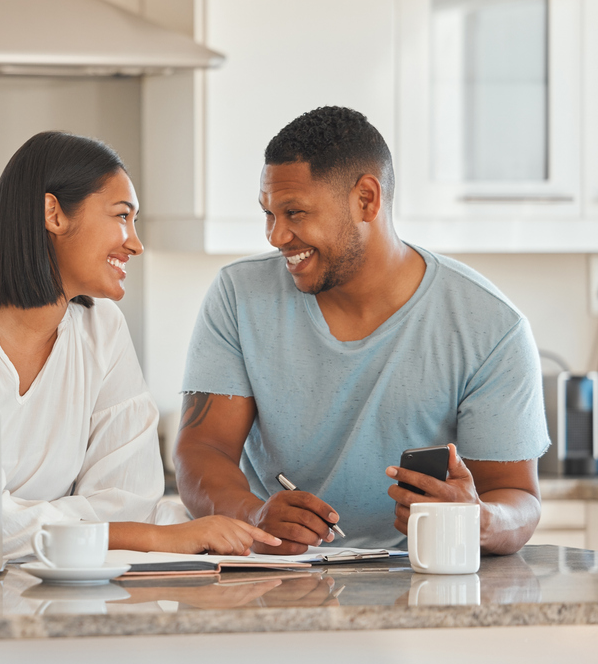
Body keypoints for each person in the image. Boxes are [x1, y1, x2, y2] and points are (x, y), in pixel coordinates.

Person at [0, 131, 279, 561]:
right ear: (53, 213)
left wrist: (17, 521)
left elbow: (130, 500)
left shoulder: (102, 329)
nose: (134, 243)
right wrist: (147, 537)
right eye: (122, 216)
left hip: (51, 591)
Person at [175, 106, 548, 555]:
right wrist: (252, 514)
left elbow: (519, 499)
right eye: (269, 214)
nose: (275, 236)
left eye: (294, 212)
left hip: (420, 578)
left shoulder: (491, 327)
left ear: (366, 199)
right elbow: (202, 450)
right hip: (275, 575)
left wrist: (478, 519)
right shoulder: (238, 296)